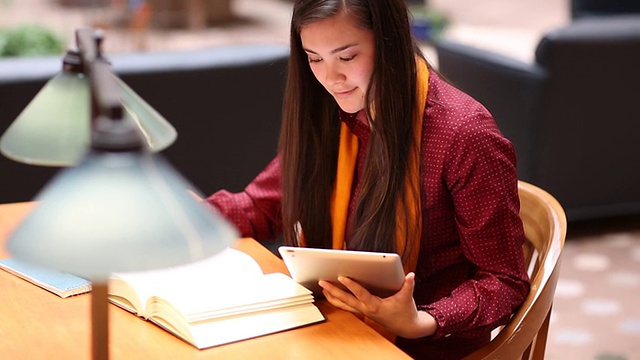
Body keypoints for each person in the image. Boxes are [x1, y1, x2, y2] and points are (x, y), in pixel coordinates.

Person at [207, 0, 530, 358]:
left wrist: (421, 320)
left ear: (390, 43)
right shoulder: (330, 108)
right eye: (314, 59)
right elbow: (264, 205)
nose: (331, 78)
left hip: (419, 348)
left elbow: (504, 281)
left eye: (346, 57)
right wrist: (186, 215)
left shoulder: (463, 134)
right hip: (334, 324)